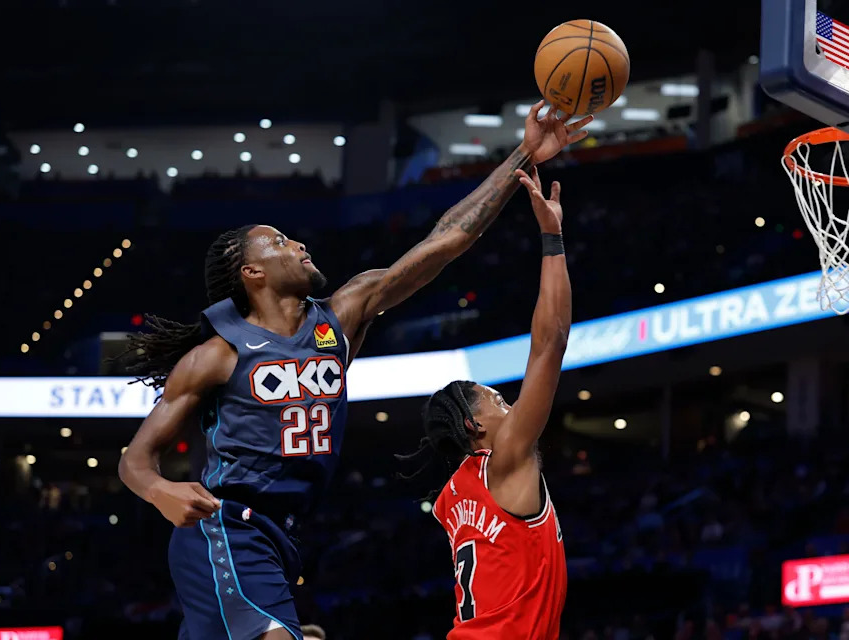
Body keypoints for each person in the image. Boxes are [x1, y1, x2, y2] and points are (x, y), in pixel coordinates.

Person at [117, 103, 592, 640]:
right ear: (251, 273)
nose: (297, 244)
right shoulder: (218, 355)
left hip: (281, 538)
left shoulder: (340, 317)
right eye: (278, 242)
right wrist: (160, 490)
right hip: (226, 527)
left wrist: (526, 153)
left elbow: (447, 241)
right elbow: (134, 459)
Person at [404, 167, 571, 639]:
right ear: (473, 425)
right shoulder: (505, 460)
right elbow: (550, 342)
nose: (510, 404)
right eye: (496, 399)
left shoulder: (449, 498)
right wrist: (552, 238)